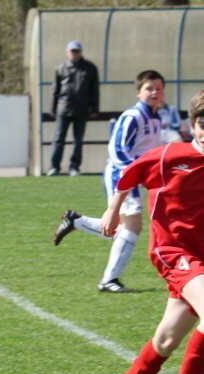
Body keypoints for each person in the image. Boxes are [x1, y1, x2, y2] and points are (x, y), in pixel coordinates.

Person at [99, 89, 204, 374]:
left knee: (166, 340)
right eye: (203, 124)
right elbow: (130, 173)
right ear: (193, 125)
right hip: (172, 251)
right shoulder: (170, 155)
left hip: (200, 260)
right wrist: (113, 210)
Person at [52, 70, 165, 293]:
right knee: (131, 227)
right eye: (149, 88)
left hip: (132, 176)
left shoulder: (155, 117)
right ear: (138, 92)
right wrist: (136, 173)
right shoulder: (133, 116)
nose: (155, 92)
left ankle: (76, 221)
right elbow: (117, 150)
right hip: (121, 175)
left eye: (159, 88)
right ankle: (109, 280)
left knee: (124, 229)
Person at [47, 41, 99, 177]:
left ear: (81, 52)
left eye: (77, 51)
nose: (74, 54)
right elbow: (55, 90)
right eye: (72, 51)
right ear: (67, 52)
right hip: (63, 109)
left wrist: (94, 108)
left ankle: (74, 167)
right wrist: (52, 108)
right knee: (58, 138)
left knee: (78, 140)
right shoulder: (60, 68)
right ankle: (54, 167)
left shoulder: (90, 68)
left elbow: (94, 90)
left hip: (82, 109)